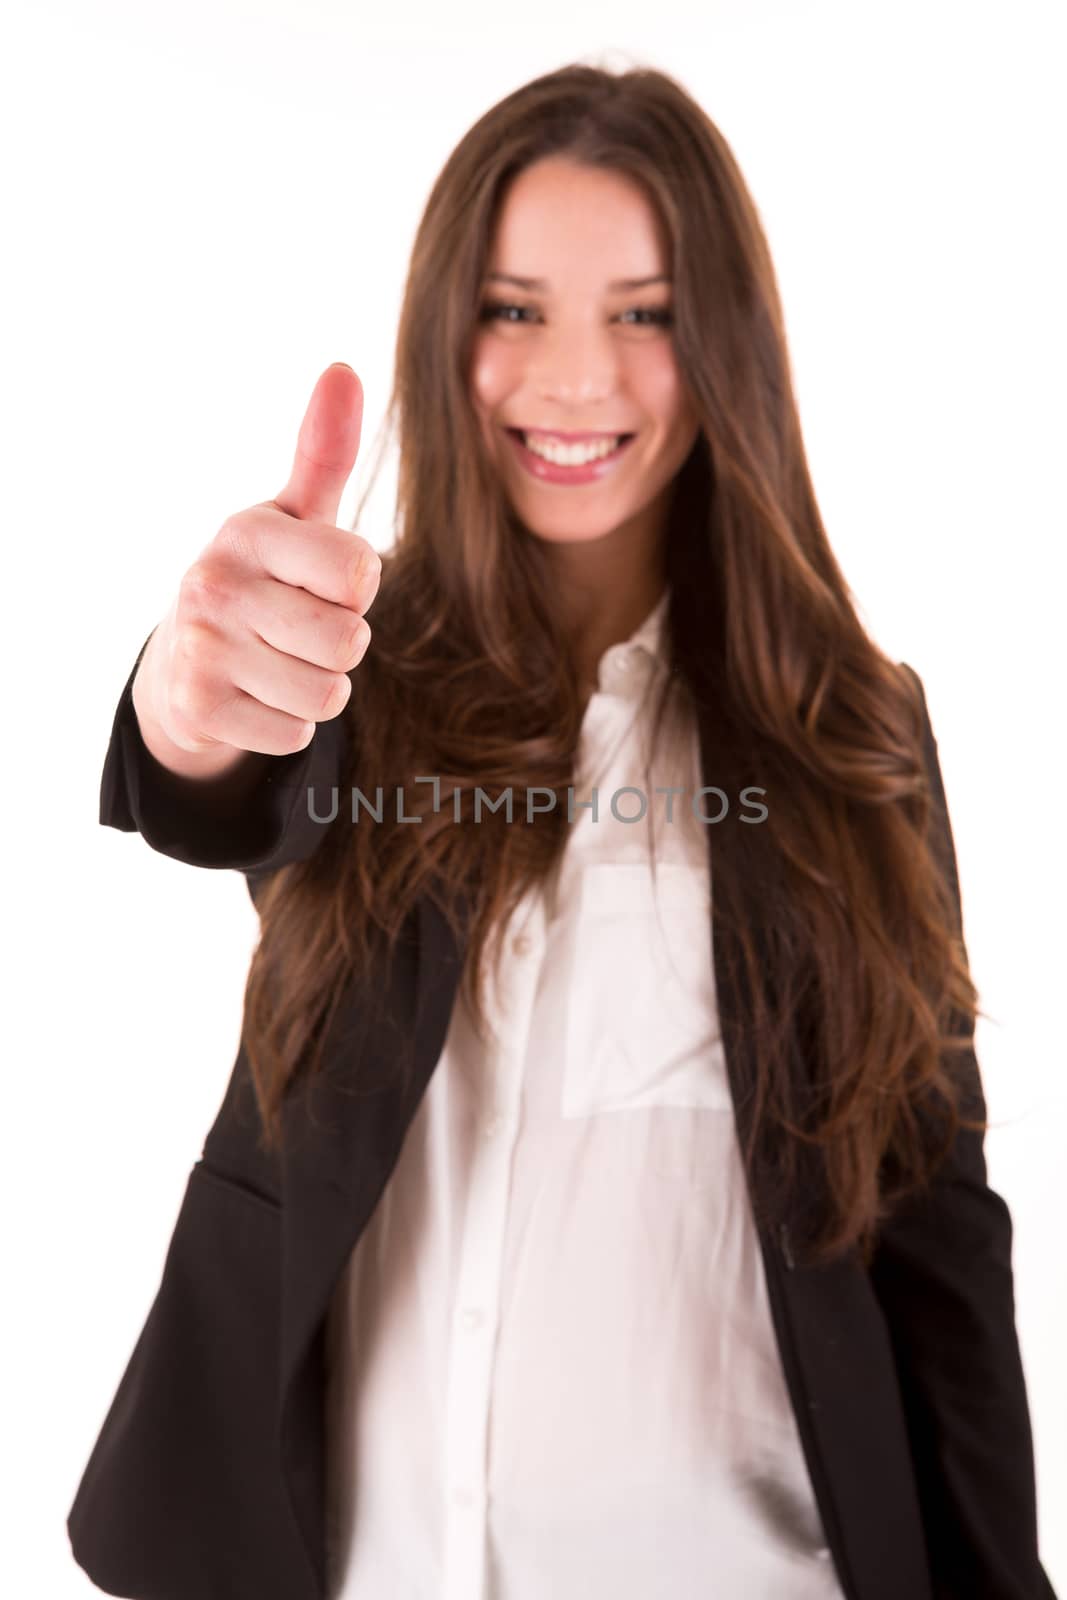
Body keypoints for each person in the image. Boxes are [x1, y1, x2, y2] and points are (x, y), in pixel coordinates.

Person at [68, 61, 1055, 1600]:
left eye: (644, 313)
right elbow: (218, 778)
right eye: (516, 309)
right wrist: (182, 700)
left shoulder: (853, 731)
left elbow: (933, 1218)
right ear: (442, 328)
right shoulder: (351, 676)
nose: (576, 378)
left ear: (722, 341)